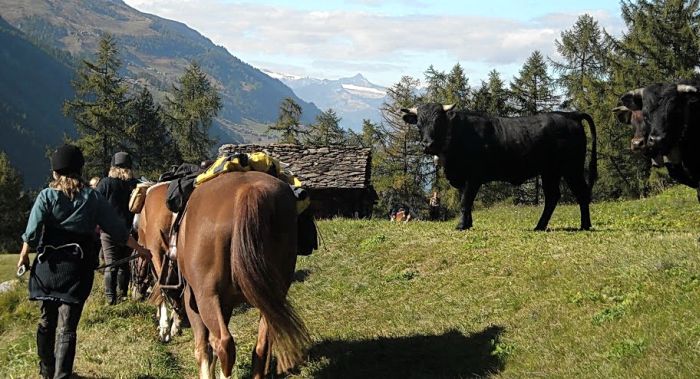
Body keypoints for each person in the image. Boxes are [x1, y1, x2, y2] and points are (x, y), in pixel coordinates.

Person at [16, 144, 151, 379]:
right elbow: (118, 230)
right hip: (77, 269)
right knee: (68, 326)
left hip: (48, 267)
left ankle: (46, 369)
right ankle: (62, 375)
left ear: (55, 172)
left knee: (47, 319)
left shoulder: (47, 196)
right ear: (80, 169)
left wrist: (24, 255)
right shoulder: (93, 198)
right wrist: (140, 250)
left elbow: (32, 231)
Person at [95, 152, 139, 305]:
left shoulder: (105, 183)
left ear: (113, 166)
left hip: (108, 232)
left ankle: (110, 299)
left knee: (111, 264)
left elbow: (95, 203)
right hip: (129, 232)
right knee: (124, 264)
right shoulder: (135, 184)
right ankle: (123, 295)